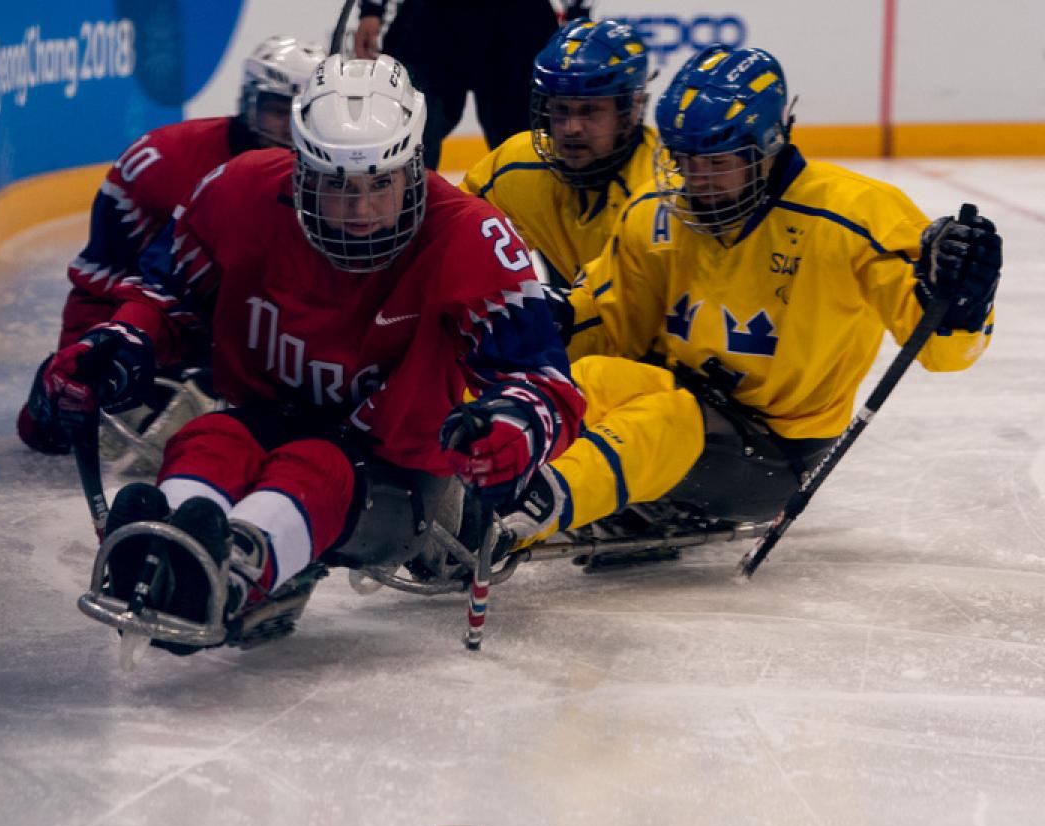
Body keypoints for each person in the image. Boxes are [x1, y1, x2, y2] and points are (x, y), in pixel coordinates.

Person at [44, 54, 585, 653]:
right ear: (302, 169)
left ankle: (239, 569)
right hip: (265, 416)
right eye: (336, 184)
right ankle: (167, 545)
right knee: (211, 439)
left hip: (396, 476)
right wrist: (123, 341)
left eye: (380, 183)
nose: (359, 212)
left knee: (315, 467)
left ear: (415, 168)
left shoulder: (470, 236)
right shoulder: (237, 192)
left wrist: (512, 430)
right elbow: (167, 295)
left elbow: (543, 381)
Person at [501, 44, 1002, 544]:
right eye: (685, 160)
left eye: (718, 162)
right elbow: (613, 324)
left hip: (774, 453)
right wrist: (555, 320)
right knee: (589, 378)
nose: (697, 180)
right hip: (688, 397)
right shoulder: (657, 212)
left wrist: (963, 300)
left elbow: (942, 352)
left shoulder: (854, 215)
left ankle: (515, 520)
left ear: (767, 146)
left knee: (664, 419)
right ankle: (475, 468)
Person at [17, 35, 326, 455]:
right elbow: (99, 280)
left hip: (254, 335)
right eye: (276, 111)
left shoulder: (333, 181)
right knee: (61, 423)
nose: (289, 131)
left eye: (303, 115)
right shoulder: (160, 164)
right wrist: (81, 356)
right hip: (160, 324)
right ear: (248, 99)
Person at [460, 17, 657, 286]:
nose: (571, 128)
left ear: (628, 114)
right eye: (561, 110)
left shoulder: (660, 195)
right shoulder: (519, 165)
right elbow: (449, 233)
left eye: (590, 111)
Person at [353, 0, 587, 170]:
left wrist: (578, 13)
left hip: (518, 25)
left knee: (530, 150)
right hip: (431, 23)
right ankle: (405, 230)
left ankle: (536, 232)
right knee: (408, 142)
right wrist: (371, 9)